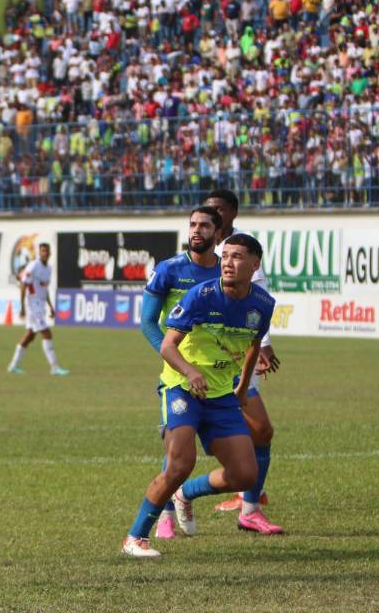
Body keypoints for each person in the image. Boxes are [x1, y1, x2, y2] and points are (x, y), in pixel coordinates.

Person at [120, 234, 275, 558]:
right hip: (181, 387)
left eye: (237, 257)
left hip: (221, 395)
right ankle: (135, 538)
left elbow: (252, 345)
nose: (228, 262)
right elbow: (167, 346)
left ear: (255, 264)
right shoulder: (201, 296)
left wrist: (242, 389)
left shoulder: (263, 303)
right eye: (225, 256)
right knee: (181, 462)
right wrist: (190, 372)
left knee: (245, 475)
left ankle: (185, 494)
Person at [139, 206, 223, 540]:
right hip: (180, 375)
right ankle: (165, 516)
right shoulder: (169, 269)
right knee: (177, 449)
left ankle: (189, 494)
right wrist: (174, 360)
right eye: (192, 224)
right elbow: (148, 322)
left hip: (220, 374)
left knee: (238, 454)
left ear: (218, 233)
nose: (196, 230)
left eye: (204, 225)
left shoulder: (226, 271)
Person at [203, 189, 281, 528]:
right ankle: (177, 500)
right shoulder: (201, 250)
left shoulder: (242, 248)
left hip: (239, 353)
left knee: (259, 430)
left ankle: (249, 501)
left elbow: (258, 299)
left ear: (233, 212)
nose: (213, 213)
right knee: (183, 442)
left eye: (219, 208)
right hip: (207, 358)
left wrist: (263, 343)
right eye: (209, 208)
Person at [7, 243, 68, 375]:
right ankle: (54, 367)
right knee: (47, 333)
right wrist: (22, 307)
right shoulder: (34, 265)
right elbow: (23, 285)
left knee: (30, 336)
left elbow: (44, 289)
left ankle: (13, 366)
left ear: (50, 253)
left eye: (46, 251)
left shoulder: (49, 268)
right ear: (39, 253)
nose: (45, 253)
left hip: (40, 304)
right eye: (42, 251)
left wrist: (50, 306)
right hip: (32, 304)